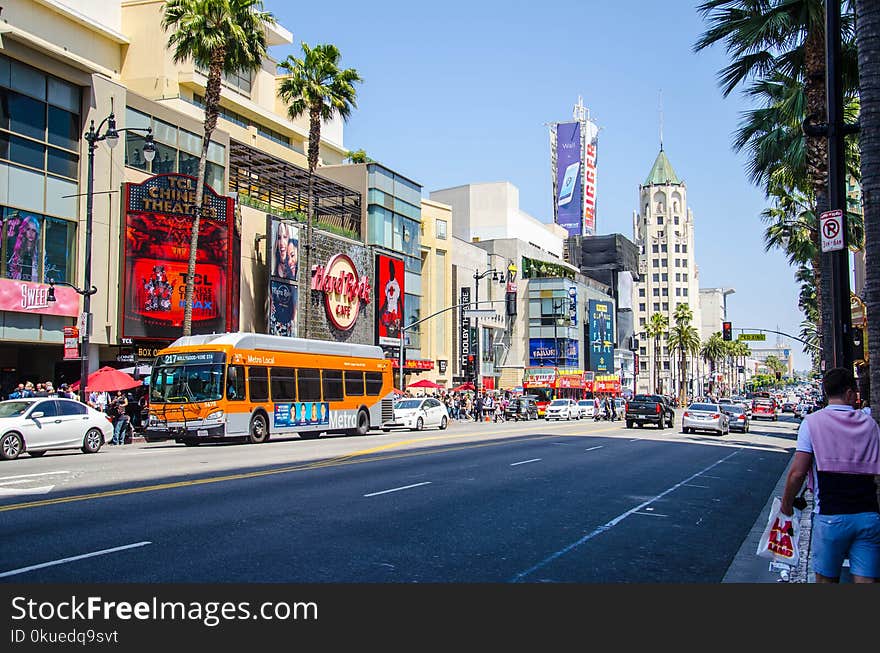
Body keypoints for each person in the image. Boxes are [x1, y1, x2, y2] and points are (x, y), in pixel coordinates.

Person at [780, 367, 880, 583]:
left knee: (826, 581)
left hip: (830, 515)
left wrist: (786, 504)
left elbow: (797, 473)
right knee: (867, 582)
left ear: (825, 392)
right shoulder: (871, 425)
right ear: (850, 393)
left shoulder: (812, 423)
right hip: (868, 514)